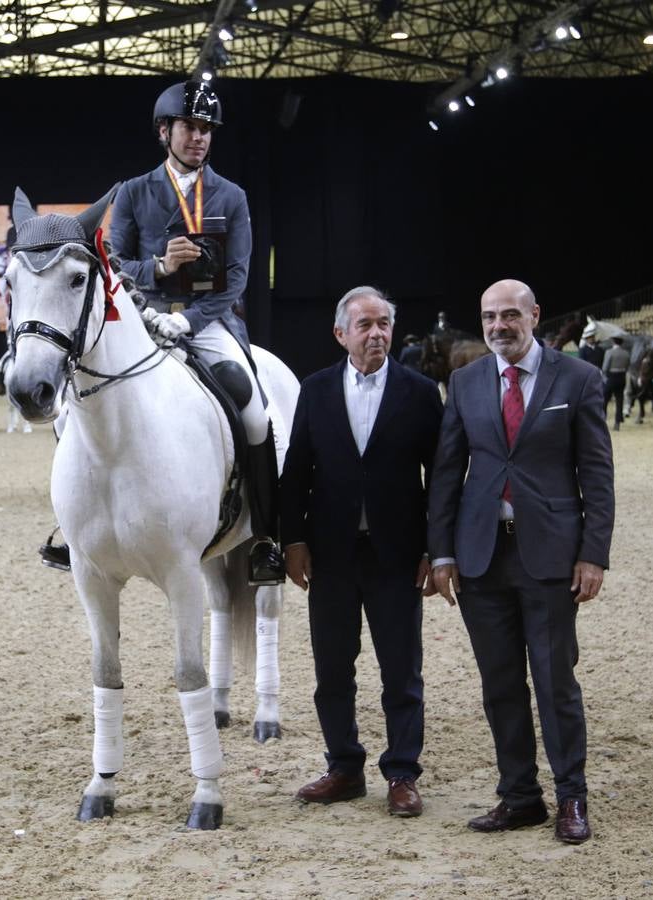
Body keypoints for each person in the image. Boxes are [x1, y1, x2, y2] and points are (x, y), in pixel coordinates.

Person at [42, 79, 283, 586]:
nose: (199, 137)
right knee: (71, 411)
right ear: (164, 130)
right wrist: (157, 266)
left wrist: (189, 319)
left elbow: (238, 277)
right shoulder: (133, 192)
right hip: (143, 318)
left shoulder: (231, 197)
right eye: (190, 128)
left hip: (210, 320)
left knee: (254, 412)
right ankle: (72, 528)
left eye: (206, 130)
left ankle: (265, 535)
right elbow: (115, 263)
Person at [427, 279, 614, 845]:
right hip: (482, 556)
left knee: (555, 681)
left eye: (510, 315)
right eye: (489, 317)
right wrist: (442, 552)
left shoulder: (578, 378)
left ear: (534, 315)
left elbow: (597, 476)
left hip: (551, 556)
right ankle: (519, 797)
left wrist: (593, 555)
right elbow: (445, 474)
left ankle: (571, 798)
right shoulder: (464, 382)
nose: (499, 326)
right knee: (500, 683)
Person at [280, 287, 443, 816]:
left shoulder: (420, 392)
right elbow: (296, 473)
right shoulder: (316, 390)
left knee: (402, 670)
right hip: (330, 554)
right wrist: (294, 541)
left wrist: (433, 549)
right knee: (332, 669)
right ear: (340, 334)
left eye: (384, 324)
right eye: (365, 325)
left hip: (397, 555)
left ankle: (402, 773)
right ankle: (344, 767)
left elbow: (440, 478)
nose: (376, 334)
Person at [601, 335, 630, 432]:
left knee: (605, 399)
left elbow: (605, 367)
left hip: (611, 376)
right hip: (621, 377)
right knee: (619, 400)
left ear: (613, 342)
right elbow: (627, 366)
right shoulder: (626, 353)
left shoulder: (609, 352)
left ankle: (603, 420)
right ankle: (617, 422)